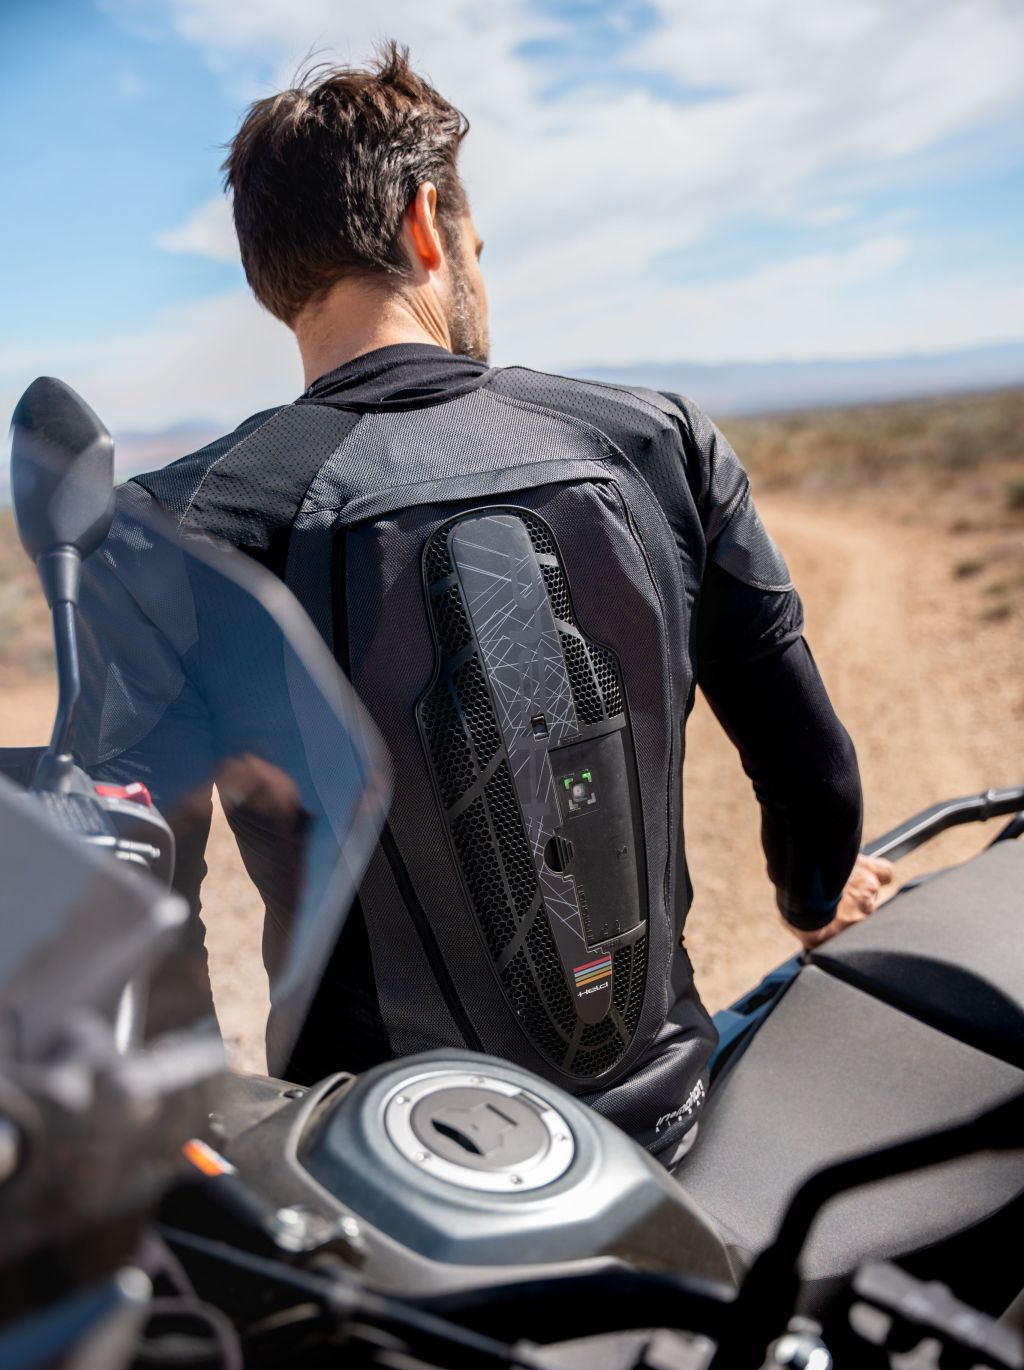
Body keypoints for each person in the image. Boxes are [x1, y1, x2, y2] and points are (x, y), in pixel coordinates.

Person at [74, 43, 891, 1163]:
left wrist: (202, 1157)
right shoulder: (655, 440)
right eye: (479, 249)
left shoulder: (179, 522)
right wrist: (811, 892)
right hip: (672, 1136)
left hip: (391, 1186)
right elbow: (811, 769)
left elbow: (133, 903)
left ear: (274, 281)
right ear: (428, 226)